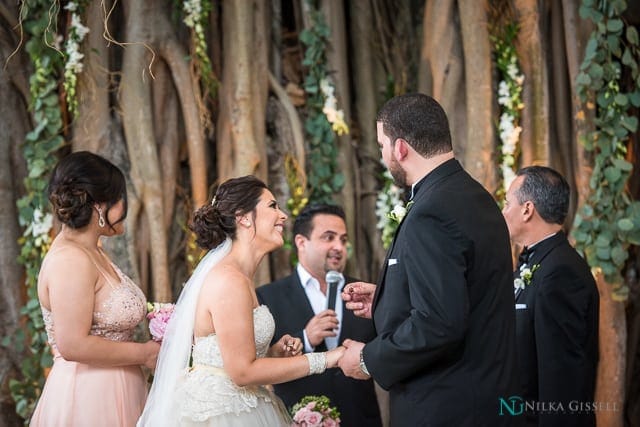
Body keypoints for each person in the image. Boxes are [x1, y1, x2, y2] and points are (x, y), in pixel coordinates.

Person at [339, 93, 520, 426]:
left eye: (382, 145)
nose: (382, 154)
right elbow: (464, 292)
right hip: (483, 400)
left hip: (446, 408)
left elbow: (439, 322)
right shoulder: (475, 197)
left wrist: (367, 359)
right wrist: (386, 297)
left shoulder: (431, 211)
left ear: (401, 148)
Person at [138, 176, 345, 427]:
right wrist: (328, 359)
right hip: (220, 414)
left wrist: (273, 352)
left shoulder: (241, 278)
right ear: (244, 218)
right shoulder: (229, 280)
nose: (283, 216)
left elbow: (233, 356)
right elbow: (242, 372)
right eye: (272, 206)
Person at [30, 151, 161, 427]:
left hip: (122, 387)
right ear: (100, 206)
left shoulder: (92, 251)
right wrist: (145, 354)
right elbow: (73, 344)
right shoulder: (70, 260)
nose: (126, 204)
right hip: (89, 397)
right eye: (121, 197)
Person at [257, 204, 383, 426]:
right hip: (296, 418)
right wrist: (305, 338)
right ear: (301, 242)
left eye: (343, 240)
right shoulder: (268, 296)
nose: (339, 247)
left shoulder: (367, 294)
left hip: (361, 419)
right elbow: (262, 363)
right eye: (329, 237)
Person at [502, 166, 599, 426]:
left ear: (527, 209)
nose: (503, 212)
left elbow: (563, 378)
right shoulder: (538, 262)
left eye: (507, 202)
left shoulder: (561, 272)